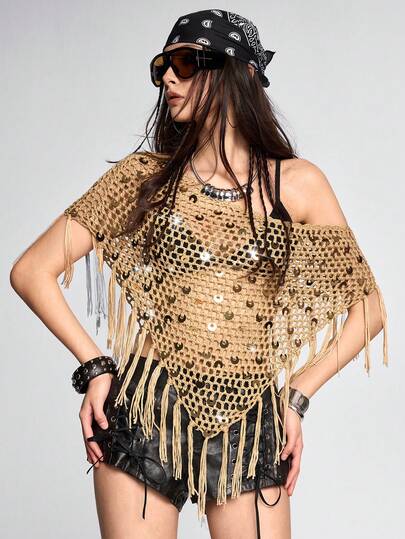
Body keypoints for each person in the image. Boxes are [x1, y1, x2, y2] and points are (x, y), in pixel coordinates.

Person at [10, 8, 389, 539]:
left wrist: (297, 395)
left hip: (248, 418)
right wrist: (95, 367)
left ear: (236, 72)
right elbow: (31, 270)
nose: (168, 77)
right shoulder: (143, 178)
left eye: (185, 63)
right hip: (146, 407)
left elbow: (368, 311)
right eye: (162, 66)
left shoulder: (297, 184)